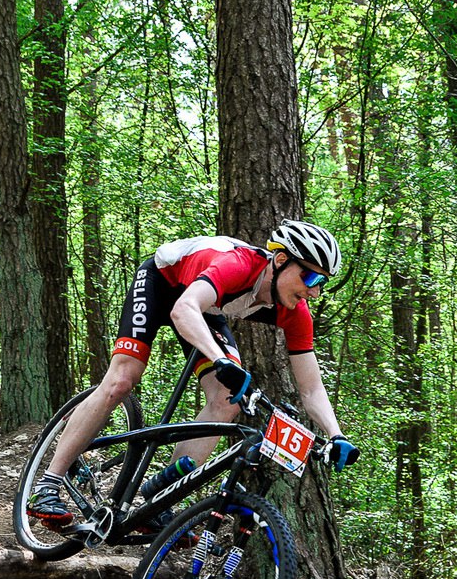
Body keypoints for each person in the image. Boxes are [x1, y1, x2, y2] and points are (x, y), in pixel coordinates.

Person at [29, 219, 360, 525]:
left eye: (321, 283)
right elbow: (183, 309)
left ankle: (158, 502)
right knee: (121, 381)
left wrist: (336, 435)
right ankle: (47, 484)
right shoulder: (238, 265)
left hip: (204, 306)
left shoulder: (296, 313)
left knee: (228, 400)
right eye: (310, 278)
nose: (314, 291)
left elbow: (311, 388)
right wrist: (220, 360)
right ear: (281, 260)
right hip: (161, 284)